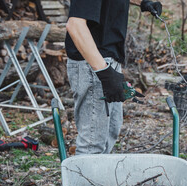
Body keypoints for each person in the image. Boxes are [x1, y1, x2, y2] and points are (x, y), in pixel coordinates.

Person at [65, 0, 162, 155]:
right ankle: (83, 179)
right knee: (92, 144)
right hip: (93, 64)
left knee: (110, 133)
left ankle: (98, 178)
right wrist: (104, 72)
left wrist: (142, 2)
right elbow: (75, 25)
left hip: (108, 59)